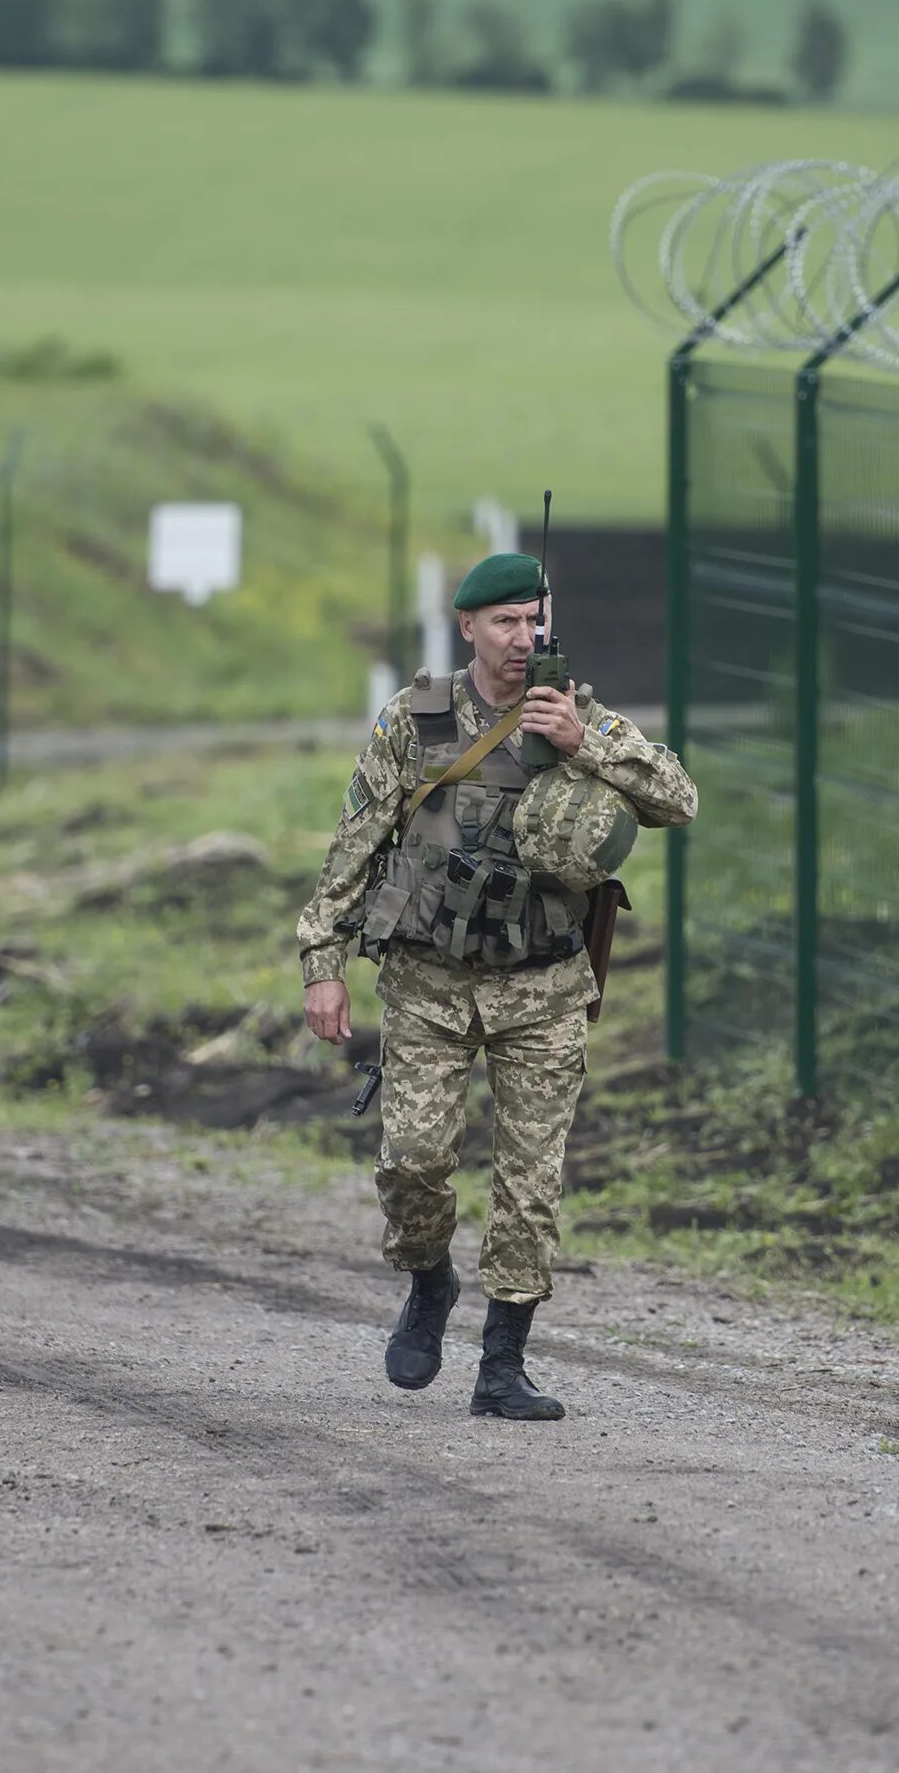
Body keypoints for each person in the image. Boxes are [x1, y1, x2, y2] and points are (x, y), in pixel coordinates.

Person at [295, 551, 697, 1419]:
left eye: (536, 619)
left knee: (529, 1183)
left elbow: (679, 798)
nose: (525, 637)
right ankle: (428, 1285)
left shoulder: (575, 713)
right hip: (430, 981)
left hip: (544, 985)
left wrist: (581, 746)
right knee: (413, 1163)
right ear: (469, 627)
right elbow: (354, 844)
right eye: (507, 621)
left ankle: (503, 1364)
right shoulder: (417, 719)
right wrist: (322, 965)